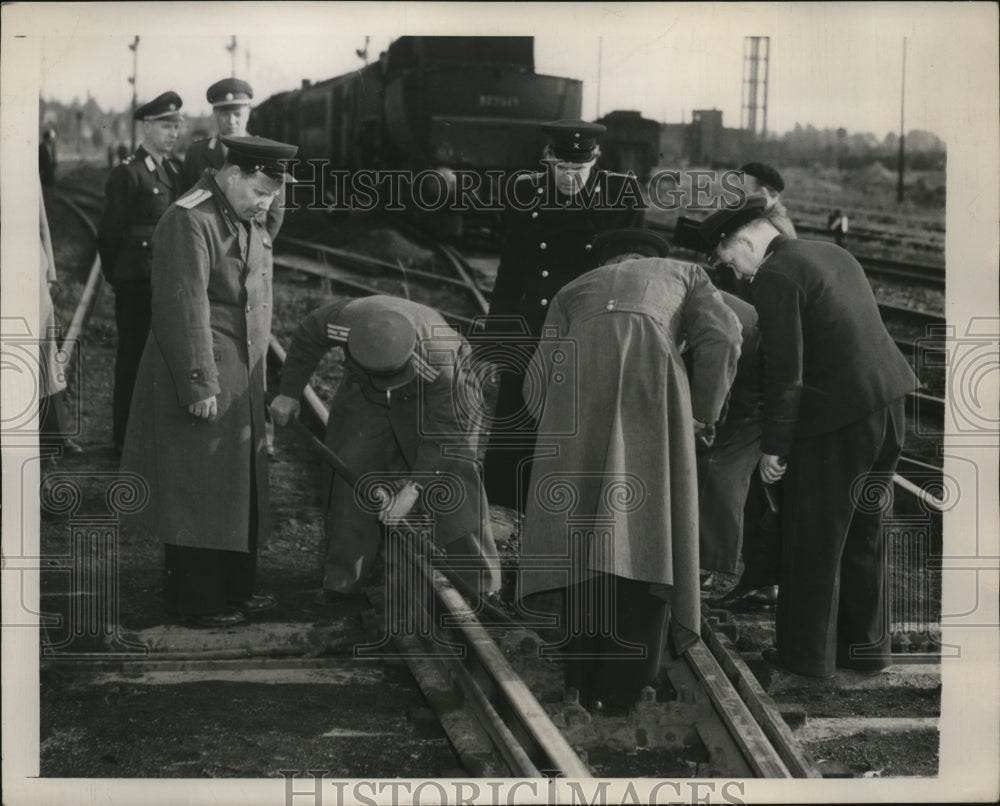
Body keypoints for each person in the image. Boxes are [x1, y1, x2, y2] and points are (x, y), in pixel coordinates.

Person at [516, 228, 742, 710]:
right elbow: (724, 336)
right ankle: (629, 684)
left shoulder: (573, 288)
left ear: (606, 262)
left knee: (581, 536)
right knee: (647, 530)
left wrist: (562, 434)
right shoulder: (684, 272)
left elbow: (534, 383)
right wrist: (701, 412)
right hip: (649, 397)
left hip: (575, 406)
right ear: (649, 258)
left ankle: (583, 679)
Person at [697, 197, 919, 677]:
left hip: (837, 421)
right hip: (889, 403)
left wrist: (775, 449)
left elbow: (786, 374)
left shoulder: (776, 276)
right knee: (864, 531)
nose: (733, 272)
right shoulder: (830, 252)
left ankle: (805, 659)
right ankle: (865, 650)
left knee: (811, 537)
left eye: (730, 259)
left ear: (747, 240)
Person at [121, 135, 298, 628]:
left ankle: (235, 590)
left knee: (236, 485)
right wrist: (198, 382)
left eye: (273, 195)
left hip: (242, 373)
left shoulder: (242, 212)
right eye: (262, 191)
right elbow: (182, 306)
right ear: (233, 173)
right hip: (204, 368)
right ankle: (196, 603)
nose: (267, 204)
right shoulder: (189, 218)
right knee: (198, 489)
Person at [270, 296, 501, 604]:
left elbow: (445, 433)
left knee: (455, 475)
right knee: (350, 464)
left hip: (435, 392)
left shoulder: (440, 359)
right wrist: (289, 393)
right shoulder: (343, 321)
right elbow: (308, 336)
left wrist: (415, 487)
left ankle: (482, 584)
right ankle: (343, 579)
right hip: (364, 386)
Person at [482, 120, 647, 511]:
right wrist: (495, 342)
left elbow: (635, 267)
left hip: (588, 324)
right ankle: (507, 508)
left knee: (582, 422)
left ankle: (573, 508)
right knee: (517, 417)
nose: (570, 177)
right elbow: (511, 272)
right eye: (562, 169)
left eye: (579, 169)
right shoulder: (526, 192)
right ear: (548, 160)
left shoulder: (620, 194)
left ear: (595, 161)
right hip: (533, 323)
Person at [182, 77, 285, 455]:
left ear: (248, 112)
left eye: (237, 112)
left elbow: (274, 212)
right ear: (214, 115)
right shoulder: (198, 154)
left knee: (254, 344)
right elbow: (187, 202)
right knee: (218, 336)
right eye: (223, 113)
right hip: (211, 259)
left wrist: (254, 246)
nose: (230, 120)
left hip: (253, 261)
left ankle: (260, 432)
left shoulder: (267, 152)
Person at [97, 91, 185, 453]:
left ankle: (151, 435)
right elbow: (109, 234)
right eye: (166, 125)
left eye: (177, 125)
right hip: (135, 281)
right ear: (147, 127)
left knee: (161, 357)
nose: (173, 132)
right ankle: (123, 437)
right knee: (132, 357)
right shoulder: (129, 172)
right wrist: (117, 275)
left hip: (164, 280)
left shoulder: (171, 170)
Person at [693, 289, 763, 586]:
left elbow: (722, 366)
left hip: (757, 380)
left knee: (717, 464)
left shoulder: (716, 324)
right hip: (739, 367)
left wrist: (705, 419)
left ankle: (704, 567)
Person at [38, 187, 83, 457]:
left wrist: (50, 270)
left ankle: (55, 436)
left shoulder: (24, 163)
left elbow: (41, 220)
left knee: (45, 351)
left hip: (31, 271)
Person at [739, 162, 796, 238]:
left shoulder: (768, 228)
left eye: (743, 192)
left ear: (762, 193)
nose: (738, 198)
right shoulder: (777, 219)